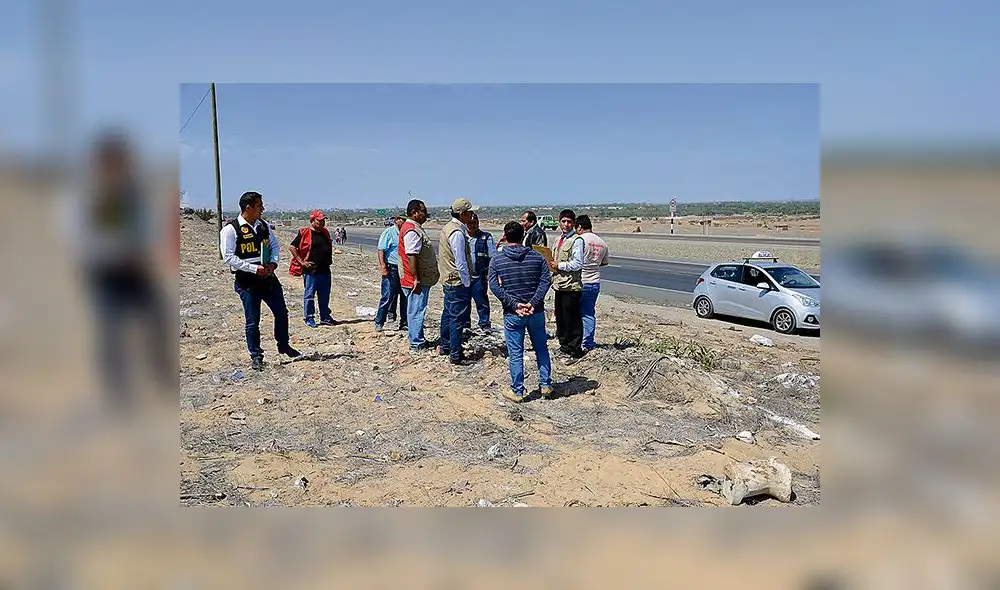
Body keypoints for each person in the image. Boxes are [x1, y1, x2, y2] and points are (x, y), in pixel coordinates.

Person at [74, 131, 173, 407]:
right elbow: (81, 237)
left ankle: (160, 376)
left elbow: (146, 228)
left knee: (157, 320)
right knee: (111, 333)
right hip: (106, 274)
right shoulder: (90, 196)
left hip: (137, 272)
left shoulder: (132, 194)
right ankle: (118, 393)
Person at [220, 191, 301, 370]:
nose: (263, 209)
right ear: (248, 207)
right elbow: (228, 257)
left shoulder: (263, 225)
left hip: (268, 279)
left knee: (281, 312)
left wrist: (273, 263)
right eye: (259, 206)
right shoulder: (231, 230)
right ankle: (256, 355)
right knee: (252, 321)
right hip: (247, 282)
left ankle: (283, 345)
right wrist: (254, 268)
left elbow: (274, 245)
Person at [488, 221, 553, 403]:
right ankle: (545, 384)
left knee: (516, 352)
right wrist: (533, 303)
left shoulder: (497, 260)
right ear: (523, 235)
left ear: (505, 236)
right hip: (536, 312)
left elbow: (494, 285)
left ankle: (517, 391)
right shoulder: (537, 257)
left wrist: (514, 304)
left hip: (512, 314)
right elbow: (545, 282)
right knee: (541, 348)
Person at [437, 197, 478, 365]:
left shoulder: (449, 228)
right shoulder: (457, 233)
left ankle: (445, 345)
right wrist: (467, 282)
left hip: (449, 279)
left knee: (448, 313)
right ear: (462, 214)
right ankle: (456, 354)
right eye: (469, 213)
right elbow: (460, 261)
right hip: (457, 281)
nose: (472, 216)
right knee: (456, 318)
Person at [398, 199, 440, 351]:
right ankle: (416, 343)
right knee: (416, 310)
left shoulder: (413, 227)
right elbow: (411, 255)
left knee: (415, 309)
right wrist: (416, 278)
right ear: (414, 212)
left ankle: (417, 338)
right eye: (423, 211)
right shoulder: (412, 230)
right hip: (415, 280)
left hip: (414, 278)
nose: (426, 214)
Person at [288, 210, 337, 328]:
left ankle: (325, 316)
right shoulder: (304, 232)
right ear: (312, 221)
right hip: (311, 271)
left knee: (324, 295)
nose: (322, 223)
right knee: (309, 295)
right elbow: (292, 247)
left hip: (325, 270)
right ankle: (309, 317)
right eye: (319, 221)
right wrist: (302, 262)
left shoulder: (324, 232)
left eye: (323, 220)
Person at [548, 209, 586, 360]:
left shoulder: (577, 241)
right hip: (559, 284)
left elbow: (577, 264)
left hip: (571, 286)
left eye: (569, 222)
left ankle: (575, 349)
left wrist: (560, 266)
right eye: (563, 221)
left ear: (574, 223)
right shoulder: (558, 240)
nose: (566, 224)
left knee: (572, 319)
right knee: (561, 318)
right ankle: (564, 346)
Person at [575, 215, 609, 351]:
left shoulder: (579, 240)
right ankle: (588, 342)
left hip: (580, 281)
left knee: (575, 314)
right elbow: (604, 262)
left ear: (579, 227)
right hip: (594, 281)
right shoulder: (602, 242)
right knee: (588, 313)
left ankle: (577, 342)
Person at [462, 212, 495, 331]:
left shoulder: (486, 237)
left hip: (479, 276)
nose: (472, 226)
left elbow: (492, 257)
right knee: (465, 302)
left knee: (481, 300)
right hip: (465, 276)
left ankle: (484, 323)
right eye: (469, 223)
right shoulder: (461, 237)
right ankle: (465, 324)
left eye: (474, 223)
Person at [374, 214, 407, 332]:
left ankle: (404, 322)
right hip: (391, 268)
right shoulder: (389, 232)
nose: (404, 222)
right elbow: (381, 250)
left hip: (404, 269)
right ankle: (379, 321)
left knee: (405, 296)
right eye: (402, 220)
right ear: (397, 220)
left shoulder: (407, 233)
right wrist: (383, 266)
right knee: (387, 296)